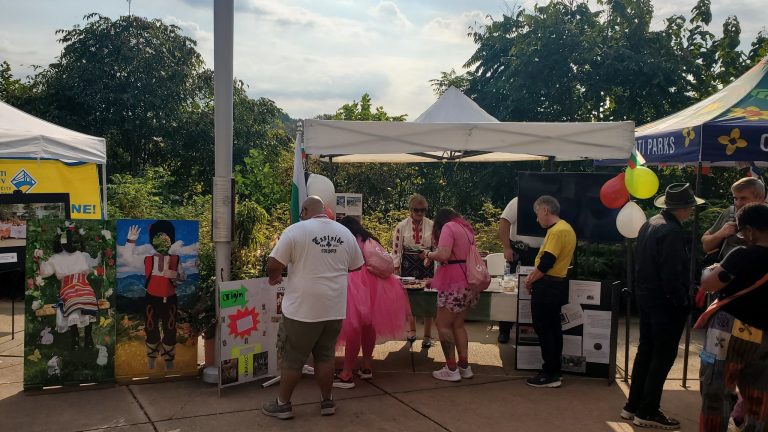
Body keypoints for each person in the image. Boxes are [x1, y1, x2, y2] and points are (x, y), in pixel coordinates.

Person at [262, 196, 364, 420]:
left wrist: (274, 277)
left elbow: (273, 263)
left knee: (292, 358)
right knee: (325, 357)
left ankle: (283, 404)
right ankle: (327, 402)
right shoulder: (344, 233)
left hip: (302, 310)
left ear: (305, 211)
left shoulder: (295, 231)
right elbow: (357, 266)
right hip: (333, 308)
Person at [622, 183, 705, 430]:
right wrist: (682, 301)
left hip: (647, 299)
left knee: (646, 352)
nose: (691, 211)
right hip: (665, 304)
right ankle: (648, 410)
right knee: (662, 356)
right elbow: (671, 273)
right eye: (690, 207)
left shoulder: (650, 224)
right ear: (685, 208)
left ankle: (633, 405)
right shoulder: (671, 231)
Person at [699, 203, 768, 431]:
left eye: (741, 232)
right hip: (764, 339)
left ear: (750, 230)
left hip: (728, 333)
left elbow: (709, 284)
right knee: (759, 397)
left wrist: (710, 270)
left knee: (715, 389)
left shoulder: (741, 255)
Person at [333, 216, 411, 389]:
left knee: (354, 328)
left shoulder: (347, 240)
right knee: (369, 326)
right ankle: (367, 366)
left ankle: (346, 374)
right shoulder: (369, 239)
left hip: (355, 284)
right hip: (377, 285)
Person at [420, 208, 478, 382]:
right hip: (467, 281)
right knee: (458, 325)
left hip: (453, 283)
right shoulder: (466, 229)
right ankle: (464, 366)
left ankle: (451, 368)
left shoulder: (448, 227)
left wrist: (428, 254)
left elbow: (444, 254)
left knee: (442, 325)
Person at [523, 196, 576, 388]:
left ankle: (549, 373)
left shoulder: (557, 231)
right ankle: (554, 371)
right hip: (557, 285)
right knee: (553, 329)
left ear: (545, 210)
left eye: (537, 213)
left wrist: (530, 280)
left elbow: (546, 263)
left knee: (545, 330)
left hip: (547, 287)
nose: (537, 219)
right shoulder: (566, 228)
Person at [37, 223, 101, 350]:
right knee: (73, 300)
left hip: (83, 284)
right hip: (68, 286)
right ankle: (75, 337)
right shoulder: (56, 258)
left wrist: (101, 253)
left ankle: (88, 337)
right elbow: (45, 272)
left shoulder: (82, 255)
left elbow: (95, 263)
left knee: (89, 297)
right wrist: (39, 259)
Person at [497, 197, 543, 344]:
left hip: (540, 253)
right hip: (518, 251)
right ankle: (504, 329)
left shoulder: (549, 201)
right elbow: (504, 222)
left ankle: (532, 330)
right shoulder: (519, 200)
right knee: (510, 290)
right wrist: (506, 247)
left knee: (536, 291)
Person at [392, 194, 435, 348]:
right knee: (409, 298)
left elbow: (436, 247)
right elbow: (396, 249)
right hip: (408, 263)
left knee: (428, 297)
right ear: (411, 210)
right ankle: (411, 330)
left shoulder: (432, 225)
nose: (419, 213)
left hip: (427, 263)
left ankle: (428, 335)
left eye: (423, 210)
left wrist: (430, 257)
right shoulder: (401, 226)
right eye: (416, 210)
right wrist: (396, 267)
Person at [701, 177, 765, 260]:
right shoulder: (730, 213)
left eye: (743, 198)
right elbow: (706, 246)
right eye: (735, 198)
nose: (738, 203)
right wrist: (720, 233)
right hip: (726, 267)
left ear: (760, 198)